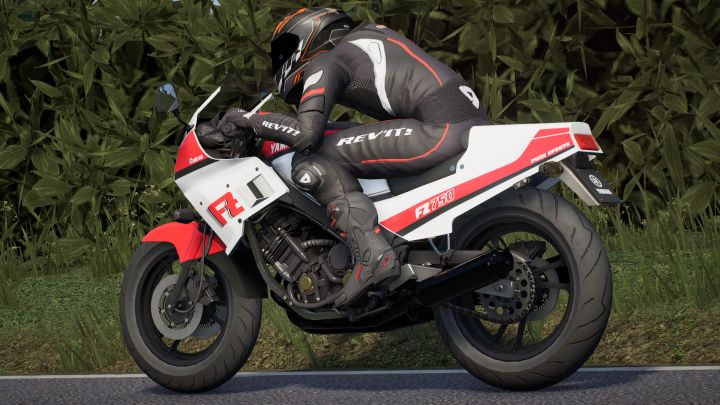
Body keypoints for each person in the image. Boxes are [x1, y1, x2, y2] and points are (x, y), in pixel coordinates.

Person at [200, 7, 490, 308]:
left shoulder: (327, 60)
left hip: (439, 131)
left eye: (284, 52)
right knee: (338, 138)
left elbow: (307, 135)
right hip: (465, 123)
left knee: (309, 158)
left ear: (306, 37)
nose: (281, 63)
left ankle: (372, 253)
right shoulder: (366, 39)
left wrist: (251, 120)